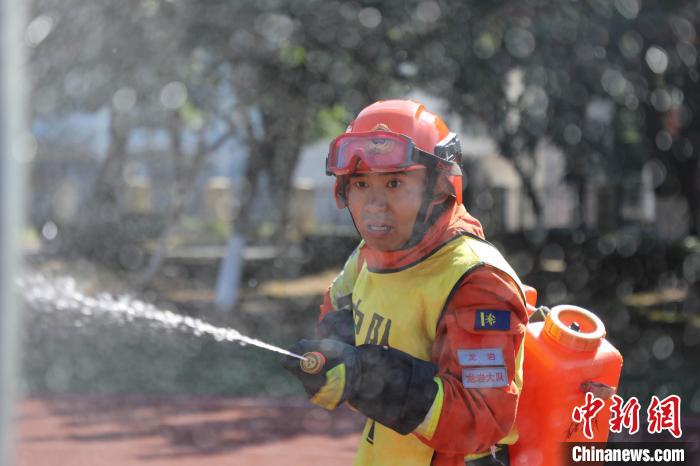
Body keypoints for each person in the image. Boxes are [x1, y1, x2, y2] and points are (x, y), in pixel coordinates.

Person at [282, 99, 529, 466]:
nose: (374, 205)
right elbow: (337, 308)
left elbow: (483, 420)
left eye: (395, 182)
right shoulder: (370, 254)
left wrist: (370, 378)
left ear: (438, 186)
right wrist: (334, 358)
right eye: (361, 183)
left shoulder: (478, 283)